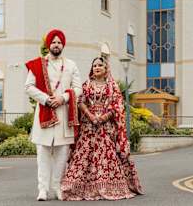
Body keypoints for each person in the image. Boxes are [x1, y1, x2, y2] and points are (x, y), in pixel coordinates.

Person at [60, 57, 144, 201]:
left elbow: (118, 105)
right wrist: (91, 116)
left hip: (106, 128)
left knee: (106, 156)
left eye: (100, 65)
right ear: (91, 69)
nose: (97, 67)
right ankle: (75, 187)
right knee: (84, 156)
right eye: (94, 66)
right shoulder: (86, 85)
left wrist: (103, 118)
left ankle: (109, 186)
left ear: (106, 69)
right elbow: (80, 102)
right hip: (88, 127)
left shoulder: (112, 87)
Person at [25, 29, 82, 201]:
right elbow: (28, 87)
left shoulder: (71, 65)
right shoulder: (38, 64)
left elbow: (78, 89)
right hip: (44, 112)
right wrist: (46, 100)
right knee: (42, 153)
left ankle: (57, 186)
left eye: (59, 42)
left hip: (63, 115)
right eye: (53, 42)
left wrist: (63, 98)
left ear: (63, 45)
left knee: (62, 153)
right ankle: (42, 189)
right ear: (48, 45)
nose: (56, 45)